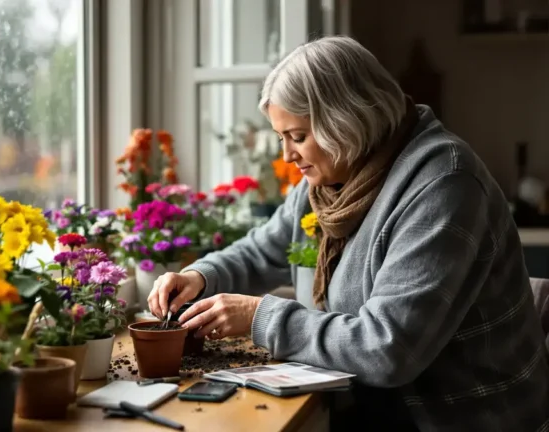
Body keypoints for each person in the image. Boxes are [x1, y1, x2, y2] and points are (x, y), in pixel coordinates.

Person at [148, 36, 549, 430]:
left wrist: (259, 317)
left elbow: (388, 349)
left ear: (347, 120)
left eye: (298, 137)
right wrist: (199, 276)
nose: (286, 156)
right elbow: (261, 251)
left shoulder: (445, 185)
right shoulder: (332, 181)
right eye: (281, 137)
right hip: (374, 406)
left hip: (457, 419)